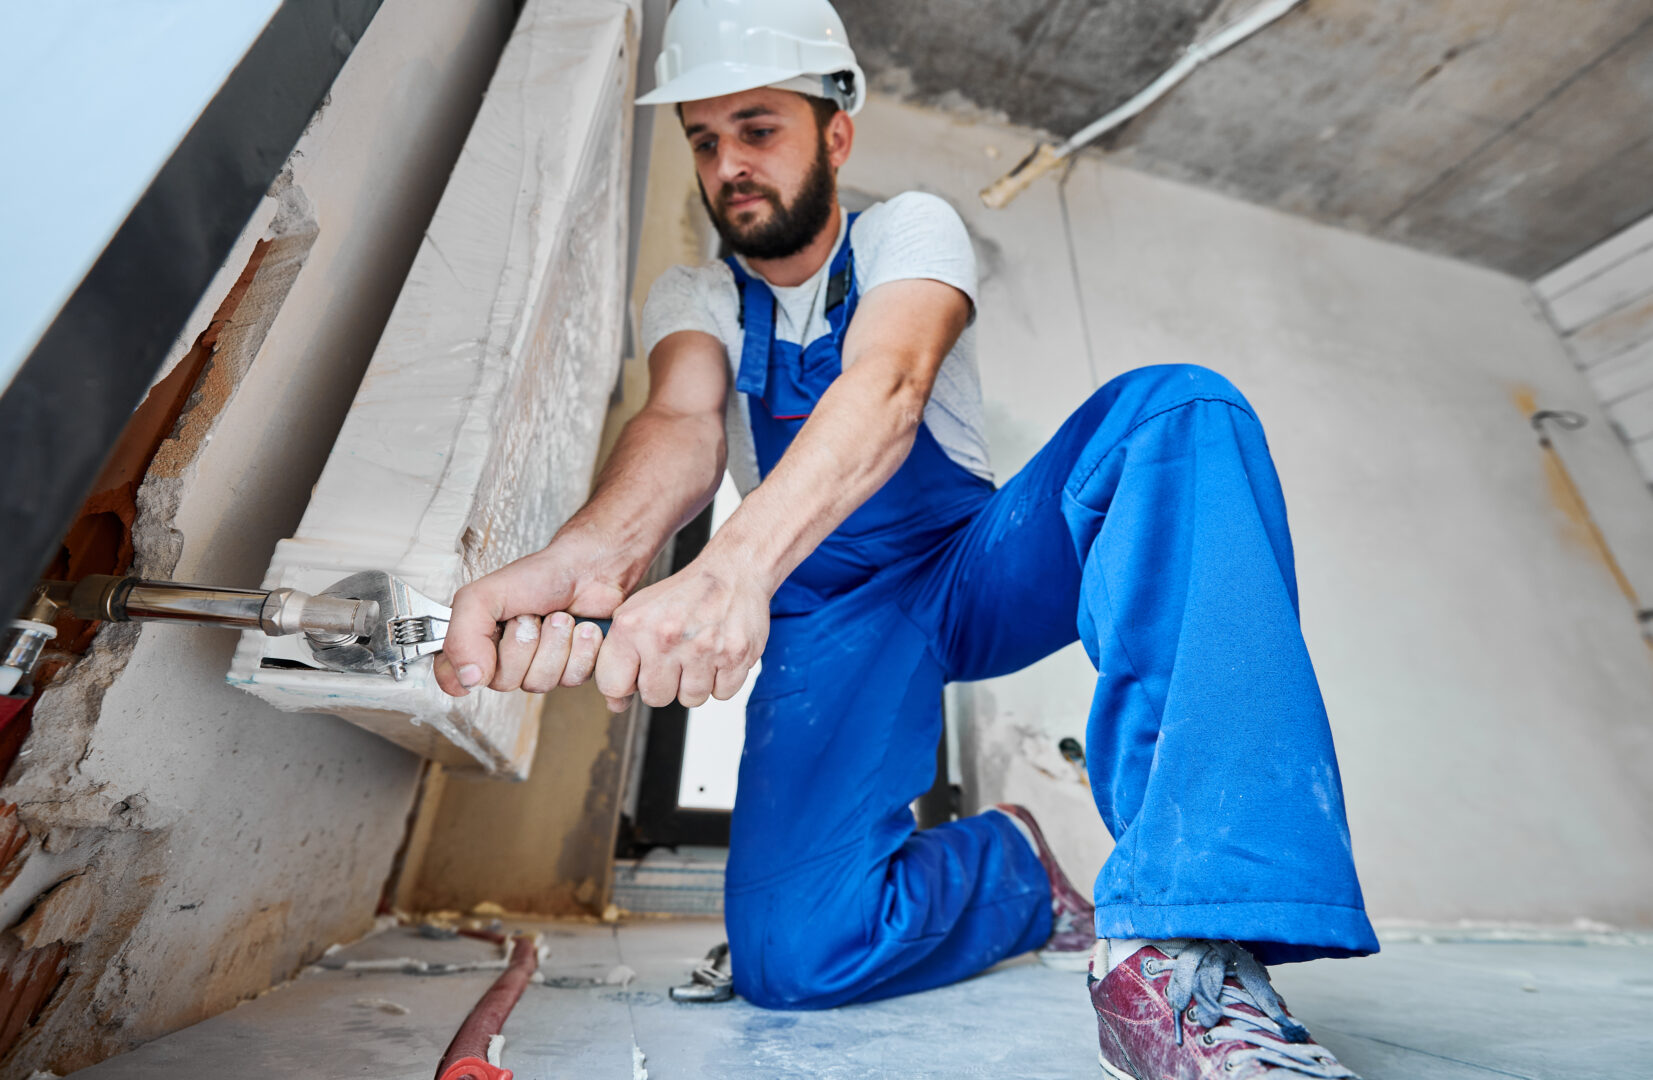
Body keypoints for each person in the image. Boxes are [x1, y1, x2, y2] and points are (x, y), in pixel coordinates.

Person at [434, 1, 1376, 1075]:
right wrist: (590, 557)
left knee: (1178, 415)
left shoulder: (905, 232)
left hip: (962, 568)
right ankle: (1018, 869)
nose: (727, 164)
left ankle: (1187, 933)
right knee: (793, 957)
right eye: (702, 139)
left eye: (757, 128)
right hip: (828, 610)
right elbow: (680, 425)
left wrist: (735, 565)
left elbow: (887, 387)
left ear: (834, 133)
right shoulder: (695, 293)